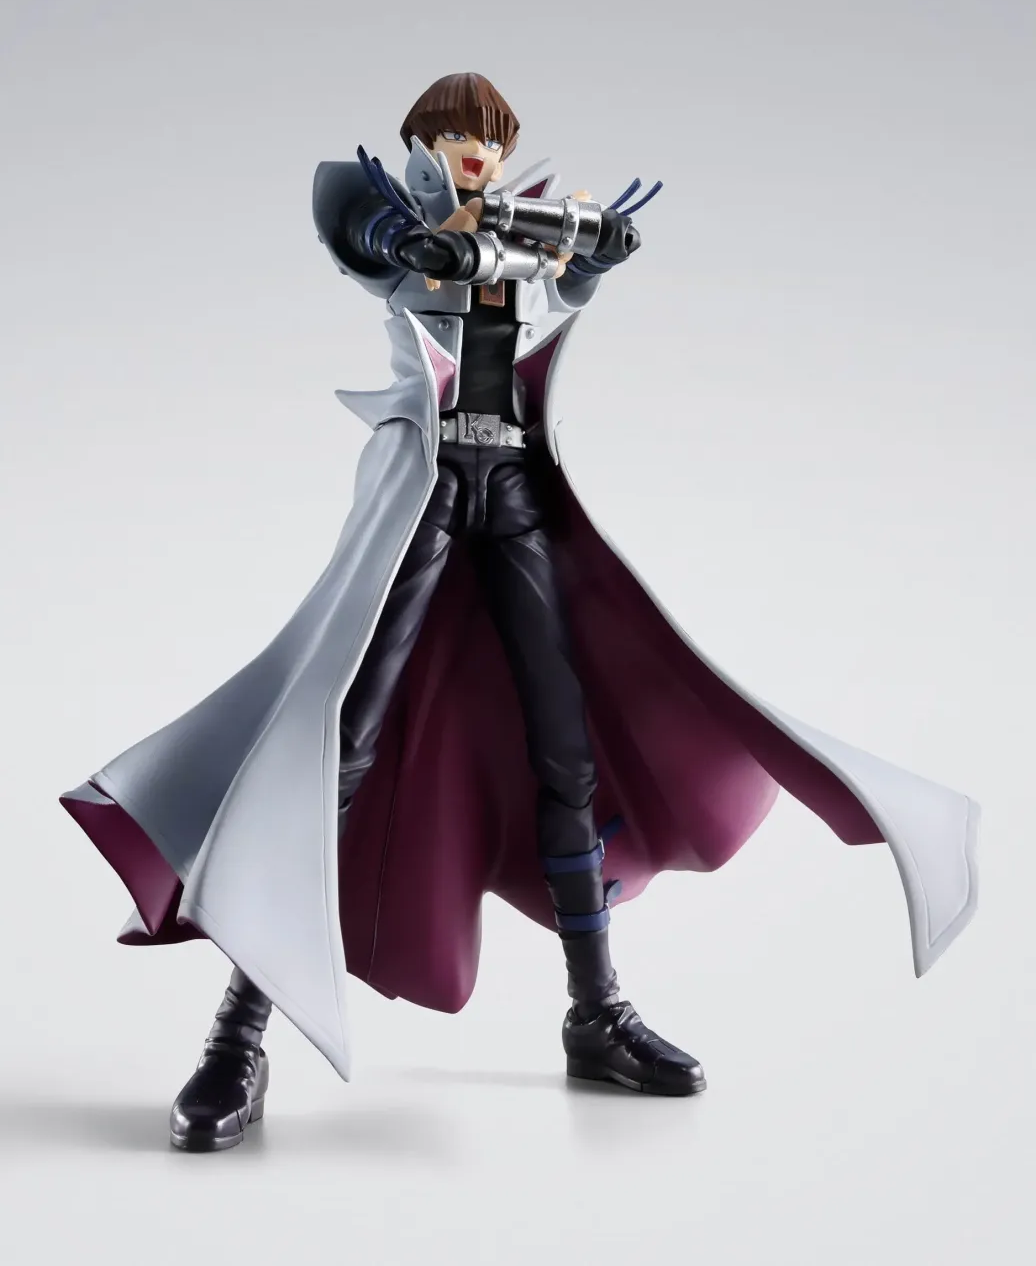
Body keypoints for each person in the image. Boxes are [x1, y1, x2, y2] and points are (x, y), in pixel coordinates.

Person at [61, 72, 978, 1152]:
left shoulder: (519, 236)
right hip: (425, 495)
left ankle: (597, 1011)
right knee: (334, 749)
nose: (475, 154)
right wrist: (415, 241)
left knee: (567, 751)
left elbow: (555, 293)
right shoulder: (402, 229)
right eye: (456, 137)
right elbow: (347, 217)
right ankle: (238, 1037)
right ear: (425, 145)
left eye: (489, 141)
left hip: (517, 492)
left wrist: (589, 257)